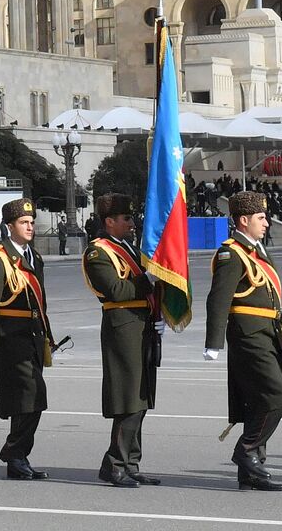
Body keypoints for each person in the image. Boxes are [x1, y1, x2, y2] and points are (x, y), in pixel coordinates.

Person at [204, 190, 282, 491]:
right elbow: (218, 300)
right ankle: (245, 452)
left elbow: (270, 298)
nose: (266, 222)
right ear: (243, 220)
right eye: (260, 217)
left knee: (260, 402)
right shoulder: (231, 254)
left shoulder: (256, 250)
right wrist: (213, 342)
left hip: (266, 334)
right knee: (275, 397)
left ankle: (252, 471)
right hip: (248, 336)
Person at [81, 195, 162, 488]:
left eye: (131, 218)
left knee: (141, 398)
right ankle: (114, 463)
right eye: (126, 219)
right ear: (109, 222)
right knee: (129, 398)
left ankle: (130, 462)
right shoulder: (98, 252)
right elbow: (116, 290)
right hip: (123, 327)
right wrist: (147, 280)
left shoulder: (129, 248)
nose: (132, 223)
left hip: (142, 326)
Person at [0, 197, 54, 480]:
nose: (30, 227)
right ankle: (14, 453)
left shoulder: (34, 257)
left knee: (27, 401)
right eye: (23, 222)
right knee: (31, 398)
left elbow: (40, 304)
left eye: (31, 222)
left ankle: (18, 457)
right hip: (11, 339)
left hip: (32, 338)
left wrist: (47, 336)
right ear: (9, 226)